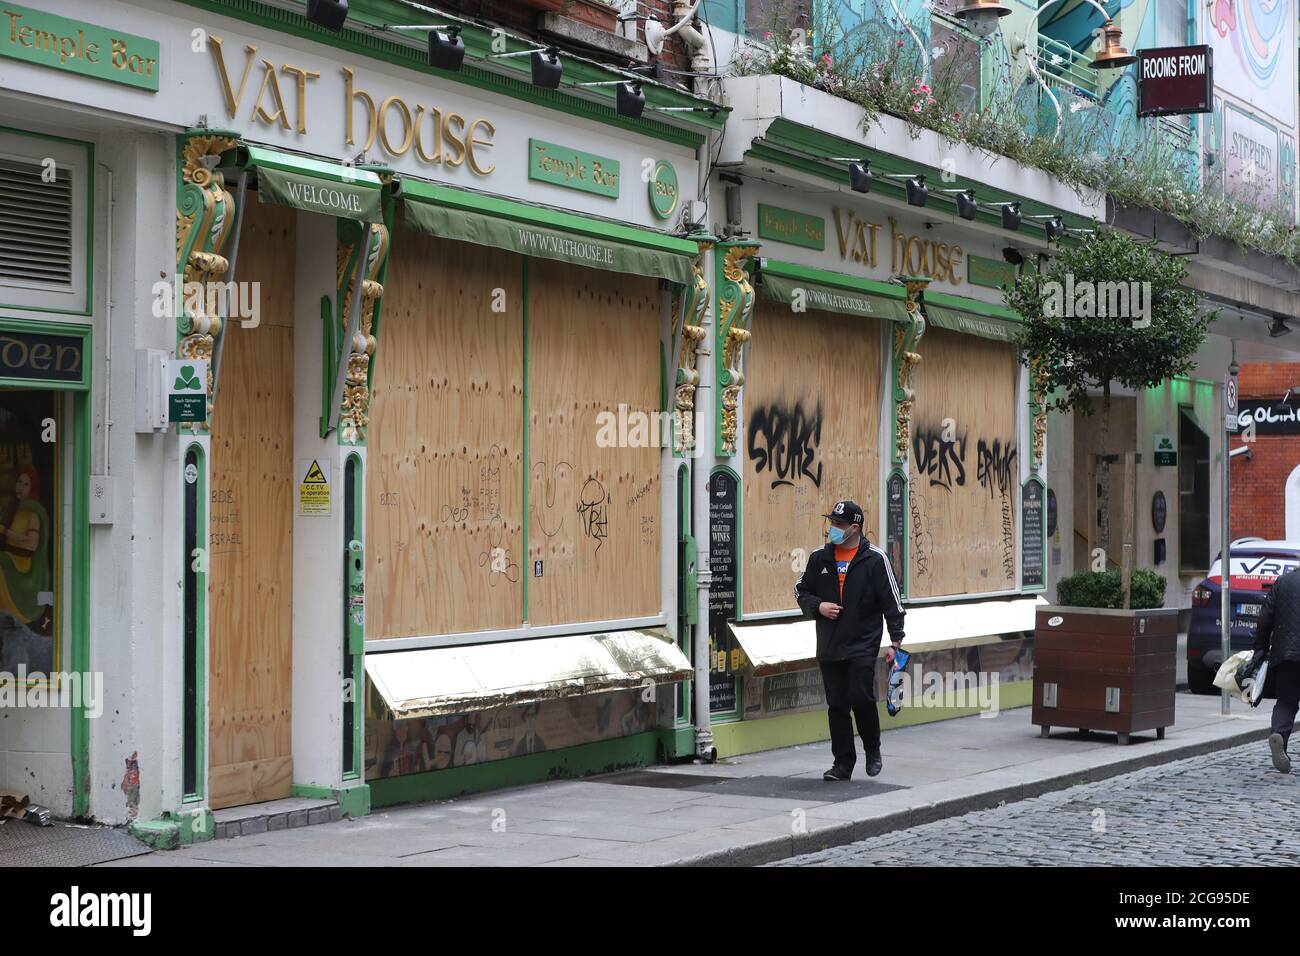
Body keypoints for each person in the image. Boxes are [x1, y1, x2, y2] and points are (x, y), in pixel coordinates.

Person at [795, 499, 905, 781]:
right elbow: (801, 590)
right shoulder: (820, 557)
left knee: (861, 697)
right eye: (831, 522)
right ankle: (842, 763)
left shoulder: (875, 559)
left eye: (838, 524)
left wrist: (895, 642)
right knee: (837, 705)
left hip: (862, 643)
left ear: (854, 528)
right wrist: (817, 607)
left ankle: (873, 749)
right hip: (830, 644)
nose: (832, 528)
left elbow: (892, 602)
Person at [1252, 565, 1300, 773]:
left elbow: (1265, 618)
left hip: (1285, 655)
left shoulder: (1283, 582)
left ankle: (1279, 735)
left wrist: (1260, 649)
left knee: (1287, 702)